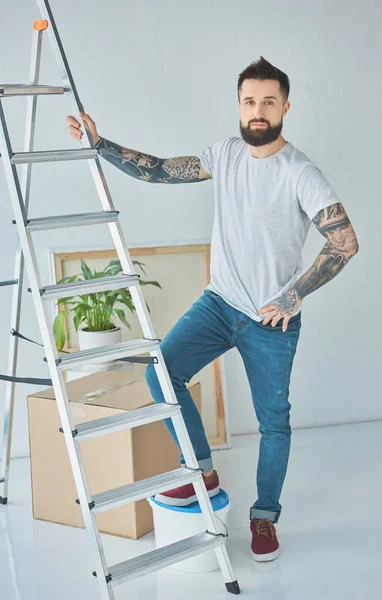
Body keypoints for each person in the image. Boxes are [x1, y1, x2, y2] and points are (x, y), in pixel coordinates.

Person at [66, 56, 359, 562]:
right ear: (240, 106)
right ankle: (201, 470)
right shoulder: (224, 153)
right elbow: (158, 171)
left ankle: (264, 517)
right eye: (250, 101)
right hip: (219, 302)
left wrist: (294, 295)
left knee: (274, 423)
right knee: (163, 374)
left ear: (285, 107)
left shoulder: (301, 172)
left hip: (272, 321)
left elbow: (345, 242)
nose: (258, 111)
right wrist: (99, 142)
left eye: (269, 101)